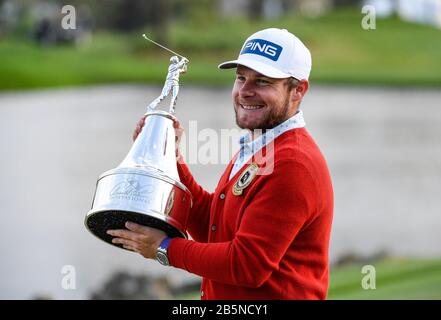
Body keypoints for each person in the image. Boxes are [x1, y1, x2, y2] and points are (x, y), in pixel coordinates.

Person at [107, 28, 334, 300]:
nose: (245, 91)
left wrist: (164, 247)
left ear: (298, 90)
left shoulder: (294, 163)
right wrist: (169, 157)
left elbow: (246, 264)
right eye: (241, 78)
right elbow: (214, 229)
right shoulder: (261, 145)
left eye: (262, 82)